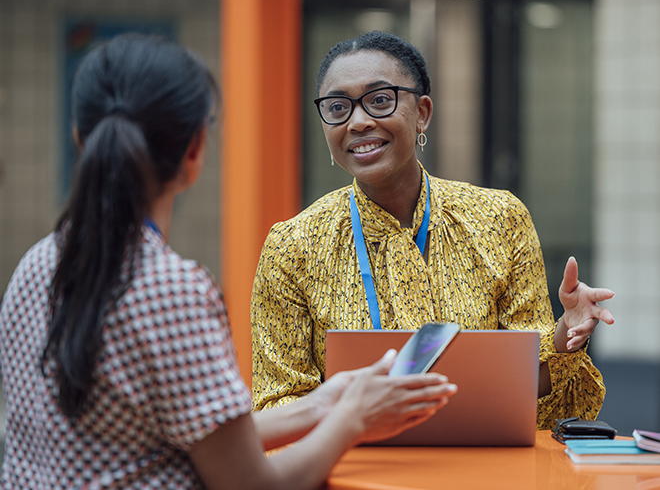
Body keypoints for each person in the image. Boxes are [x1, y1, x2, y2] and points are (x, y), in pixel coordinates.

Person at [0, 34, 458, 490]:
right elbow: (252, 483)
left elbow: (195, 436)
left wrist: (328, 403)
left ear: (80, 137)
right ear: (196, 149)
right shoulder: (172, 290)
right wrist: (354, 420)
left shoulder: (35, 266)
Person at [251, 31, 615, 430]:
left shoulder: (499, 219)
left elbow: (531, 393)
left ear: (422, 112)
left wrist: (565, 336)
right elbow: (276, 402)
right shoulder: (293, 246)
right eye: (338, 107)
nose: (358, 122)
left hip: (481, 470)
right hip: (355, 470)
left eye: (379, 100)